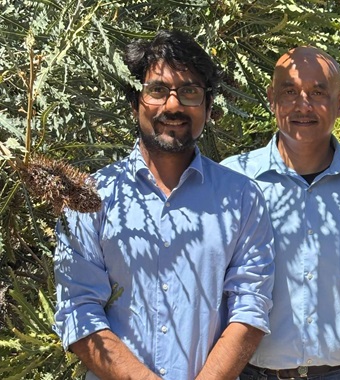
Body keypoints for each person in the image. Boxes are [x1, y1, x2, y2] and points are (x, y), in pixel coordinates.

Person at [53, 29, 275, 380]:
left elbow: (250, 310)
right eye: (157, 90)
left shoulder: (242, 198)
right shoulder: (89, 197)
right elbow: (77, 309)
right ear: (134, 102)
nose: (173, 105)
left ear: (208, 106)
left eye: (189, 92)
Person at [221, 46, 340, 380]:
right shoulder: (232, 181)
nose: (303, 105)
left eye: (318, 92)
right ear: (272, 98)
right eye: (290, 92)